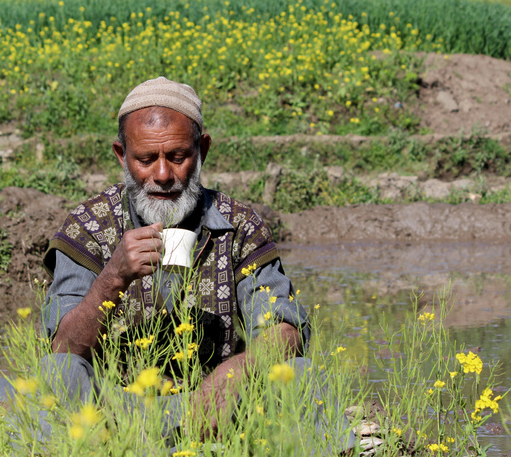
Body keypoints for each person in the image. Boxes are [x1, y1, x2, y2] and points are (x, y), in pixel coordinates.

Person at [39, 77, 350, 450]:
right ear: (121, 155)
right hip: (113, 413)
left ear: (202, 150)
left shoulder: (239, 227)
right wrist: (113, 277)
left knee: (297, 372)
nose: (162, 175)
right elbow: (63, 346)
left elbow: (285, 330)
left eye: (177, 156)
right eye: (145, 159)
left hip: (223, 410)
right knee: (57, 372)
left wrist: (235, 373)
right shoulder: (88, 226)